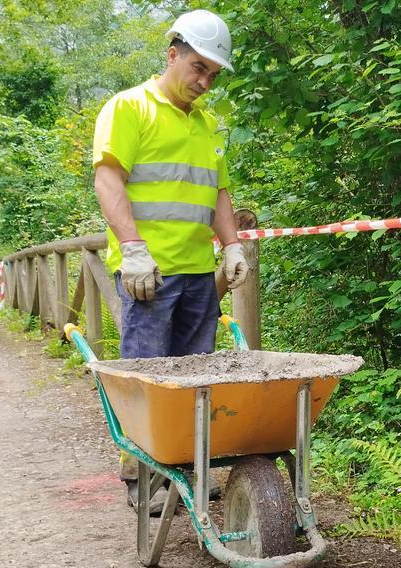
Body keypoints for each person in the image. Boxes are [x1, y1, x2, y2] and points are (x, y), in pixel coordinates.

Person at [92, 9, 248, 513]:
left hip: (200, 275)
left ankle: (187, 471)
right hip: (148, 276)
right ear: (173, 53)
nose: (204, 81)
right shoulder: (129, 108)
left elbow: (218, 194)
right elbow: (109, 181)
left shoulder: (207, 125)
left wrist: (232, 245)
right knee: (148, 378)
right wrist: (133, 250)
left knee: (194, 380)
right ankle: (144, 480)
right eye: (198, 68)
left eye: (212, 74)